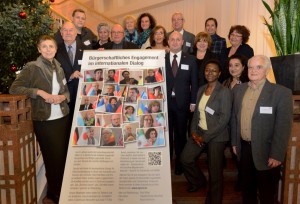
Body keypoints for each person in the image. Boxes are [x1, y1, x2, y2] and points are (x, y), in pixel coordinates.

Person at [9, 35, 70, 204]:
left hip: (62, 117)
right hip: (45, 120)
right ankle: (53, 195)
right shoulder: (32, 67)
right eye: (45, 46)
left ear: (56, 50)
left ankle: (58, 191)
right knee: (53, 159)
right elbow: (15, 88)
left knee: (62, 157)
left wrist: (62, 98)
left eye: (51, 46)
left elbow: (66, 91)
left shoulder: (58, 66)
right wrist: (40, 93)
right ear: (39, 49)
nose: (48, 49)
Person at [231, 55, 293, 204]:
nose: (253, 71)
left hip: (267, 151)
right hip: (244, 148)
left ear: (267, 70)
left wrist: (277, 154)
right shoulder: (239, 90)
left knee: (267, 194)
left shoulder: (281, 93)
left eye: (258, 67)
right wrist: (234, 142)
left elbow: (283, 126)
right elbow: (234, 118)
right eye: (251, 67)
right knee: (247, 191)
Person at [181, 59, 232, 204]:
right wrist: (193, 132)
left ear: (219, 73)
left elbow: (224, 119)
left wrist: (206, 137)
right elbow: (196, 113)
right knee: (185, 159)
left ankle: (214, 200)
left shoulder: (224, 92)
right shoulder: (201, 89)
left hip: (217, 136)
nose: (210, 73)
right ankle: (199, 182)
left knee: (215, 172)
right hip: (199, 132)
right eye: (207, 70)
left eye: (214, 70)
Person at [166, 31, 198, 175]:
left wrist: (193, 101)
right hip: (165, 104)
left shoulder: (190, 59)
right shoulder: (161, 58)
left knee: (180, 135)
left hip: (182, 104)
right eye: (172, 39)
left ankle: (180, 164)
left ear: (182, 42)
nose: (174, 42)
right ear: (168, 42)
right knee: (167, 136)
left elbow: (195, 82)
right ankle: (167, 164)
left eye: (177, 39)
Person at [55, 21, 86, 123]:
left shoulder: (86, 49)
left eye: (71, 30)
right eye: (65, 30)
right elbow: (53, 71)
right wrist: (70, 76)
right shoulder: (54, 50)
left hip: (82, 93)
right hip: (62, 94)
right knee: (65, 124)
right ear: (61, 32)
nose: (68, 32)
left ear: (76, 32)